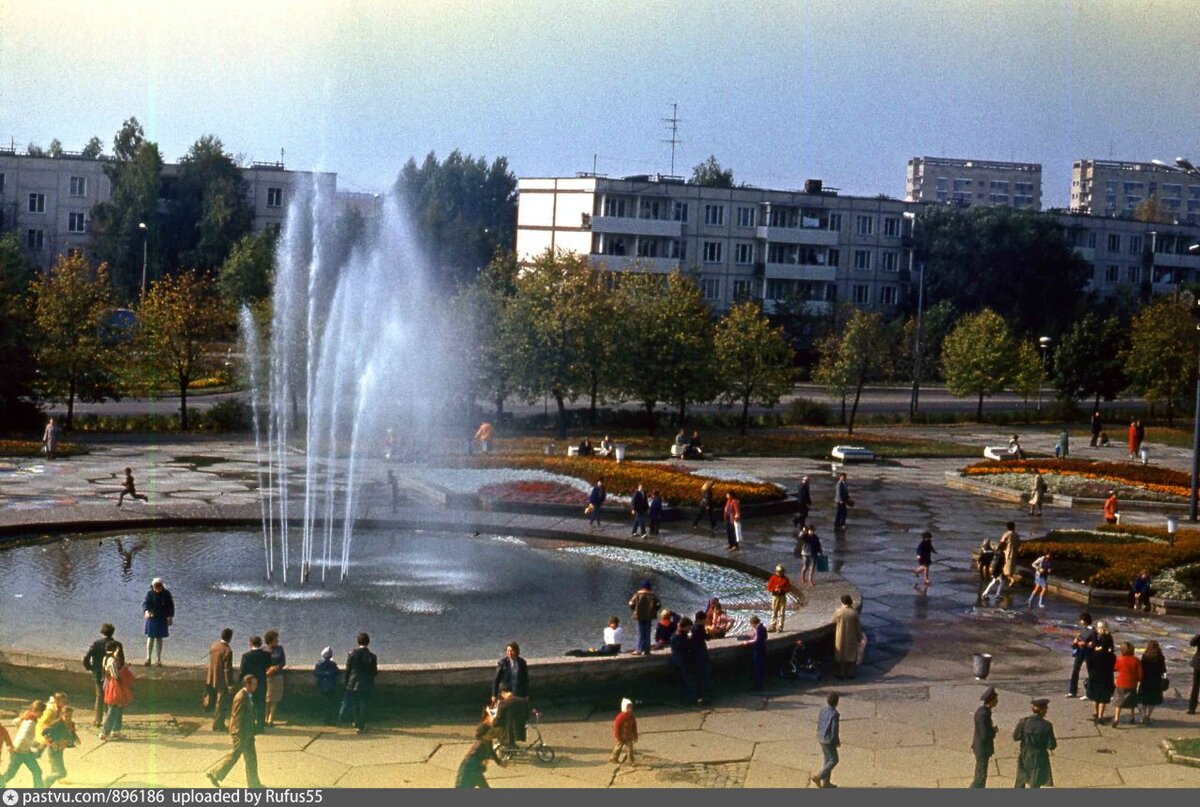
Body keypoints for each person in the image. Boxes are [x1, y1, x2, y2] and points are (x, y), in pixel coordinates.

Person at [206, 675, 263, 788]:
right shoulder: (241, 697)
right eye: (254, 684)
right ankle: (214, 774)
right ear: (247, 684)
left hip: (247, 732)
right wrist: (239, 733)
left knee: (251, 758)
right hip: (241, 733)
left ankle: (254, 784)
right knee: (234, 756)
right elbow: (237, 716)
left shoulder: (247, 695)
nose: (256, 686)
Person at [83, 623, 123, 728]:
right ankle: (110, 721)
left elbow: (86, 657)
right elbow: (121, 662)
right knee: (112, 698)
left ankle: (97, 720)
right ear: (112, 632)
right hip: (112, 676)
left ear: (102, 632)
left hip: (98, 673)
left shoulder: (96, 643)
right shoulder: (117, 645)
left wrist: (90, 667)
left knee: (99, 696)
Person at [1013, 698, 1057, 788]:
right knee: (1035, 782)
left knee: (1021, 779)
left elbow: (1015, 737)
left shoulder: (1023, 722)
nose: (1046, 711)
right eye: (1045, 709)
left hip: (1025, 754)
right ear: (1042, 710)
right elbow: (1051, 746)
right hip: (1039, 756)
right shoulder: (1047, 725)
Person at [1, 701, 46, 788]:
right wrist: (35, 745)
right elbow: (24, 738)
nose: (43, 716)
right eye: (43, 713)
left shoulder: (28, 717)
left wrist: (21, 721)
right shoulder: (31, 722)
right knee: (11, 774)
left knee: (36, 771)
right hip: (20, 751)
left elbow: (14, 722)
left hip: (22, 750)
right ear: (39, 711)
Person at [345, 632, 378, 733]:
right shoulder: (372, 656)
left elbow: (348, 670)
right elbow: (374, 672)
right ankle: (362, 725)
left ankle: (356, 723)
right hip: (366, 683)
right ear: (368, 642)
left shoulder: (352, 653)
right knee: (364, 704)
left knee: (355, 704)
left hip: (353, 682)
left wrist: (347, 683)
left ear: (358, 641)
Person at [99, 640, 130, 741]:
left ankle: (116, 730)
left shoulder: (105, 658)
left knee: (116, 707)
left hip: (107, 683)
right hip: (113, 685)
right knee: (114, 709)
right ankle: (105, 731)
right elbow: (116, 675)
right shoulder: (112, 660)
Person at [239, 636, 272, 730]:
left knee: (250, 704)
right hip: (261, 682)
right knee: (261, 704)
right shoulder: (266, 655)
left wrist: (240, 682)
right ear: (260, 644)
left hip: (249, 683)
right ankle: (260, 726)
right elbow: (268, 666)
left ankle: (251, 724)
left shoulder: (246, 656)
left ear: (250, 643)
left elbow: (242, 671)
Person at [41, 704, 78, 788]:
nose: (68, 718)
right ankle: (45, 780)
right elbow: (44, 732)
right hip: (54, 751)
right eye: (66, 716)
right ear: (62, 715)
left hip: (60, 750)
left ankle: (45, 787)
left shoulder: (71, 724)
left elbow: (71, 736)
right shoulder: (57, 723)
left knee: (55, 772)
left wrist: (73, 737)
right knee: (62, 773)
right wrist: (53, 742)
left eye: (70, 716)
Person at [206, 627, 235, 732]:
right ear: (230, 638)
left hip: (211, 676)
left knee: (214, 701)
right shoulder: (228, 650)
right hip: (221, 680)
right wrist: (230, 684)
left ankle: (217, 723)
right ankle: (218, 724)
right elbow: (227, 670)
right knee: (221, 703)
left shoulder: (214, 645)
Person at [456, 723, 502, 787]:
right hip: (469, 771)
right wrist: (482, 765)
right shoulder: (480, 745)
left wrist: (499, 762)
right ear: (483, 735)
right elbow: (472, 759)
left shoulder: (487, 741)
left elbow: (492, 752)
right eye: (490, 733)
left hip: (475, 770)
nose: (492, 735)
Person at [141, 577, 174, 666]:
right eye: (156, 587)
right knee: (150, 638)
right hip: (152, 618)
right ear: (153, 586)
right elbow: (145, 604)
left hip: (162, 618)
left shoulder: (166, 594)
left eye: (159, 587)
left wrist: (170, 617)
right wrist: (146, 611)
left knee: (159, 638)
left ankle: (158, 659)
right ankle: (148, 658)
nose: (157, 589)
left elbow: (171, 606)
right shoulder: (150, 594)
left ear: (162, 586)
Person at [970, 686, 999, 788]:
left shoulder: (983, 711)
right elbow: (984, 733)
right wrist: (993, 731)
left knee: (980, 772)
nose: (997, 701)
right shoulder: (984, 714)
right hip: (982, 748)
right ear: (991, 701)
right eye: (996, 699)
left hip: (981, 747)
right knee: (981, 775)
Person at [812, 692, 841, 788]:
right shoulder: (835, 714)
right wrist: (836, 741)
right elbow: (834, 730)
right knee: (834, 760)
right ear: (837, 703)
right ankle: (819, 776)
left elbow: (820, 722)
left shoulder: (823, 710)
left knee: (827, 759)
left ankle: (826, 783)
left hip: (821, 737)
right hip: (829, 740)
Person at [488, 683, 531, 747]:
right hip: (520, 731)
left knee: (493, 728)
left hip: (508, 732)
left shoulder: (503, 703)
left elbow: (498, 719)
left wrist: (492, 721)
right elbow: (527, 716)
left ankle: (504, 745)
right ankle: (511, 744)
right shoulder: (522, 701)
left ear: (503, 692)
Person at [1087, 632, 1116, 723]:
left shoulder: (1093, 654)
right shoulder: (1111, 656)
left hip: (1094, 675)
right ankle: (1100, 716)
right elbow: (1113, 667)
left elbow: (1089, 665)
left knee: (1095, 695)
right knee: (1103, 697)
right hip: (1106, 676)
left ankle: (1096, 712)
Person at [1113, 641, 1142, 727]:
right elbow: (1140, 674)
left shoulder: (1119, 659)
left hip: (1121, 682)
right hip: (1132, 683)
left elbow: (1116, 668)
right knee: (1132, 702)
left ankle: (1116, 718)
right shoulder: (1136, 660)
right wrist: (1138, 679)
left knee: (1118, 702)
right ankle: (1132, 717)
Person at [832, 594, 862, 680]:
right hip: (851, 635)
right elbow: (858, 627)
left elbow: (834, 620)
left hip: (841, 635)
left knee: (841, 655)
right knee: (851, 654)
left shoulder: (839, 611)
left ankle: (841, 673)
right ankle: (850, 673)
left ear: (842, 602)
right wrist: (859, 637)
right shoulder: (854, 612)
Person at [1067, 612, 1095, 699]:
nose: (1080, 622)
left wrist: (1085, 643)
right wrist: (1076, 642)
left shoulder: (1092, 630)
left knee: (1090, 671)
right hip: (1080, 651)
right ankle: (1072, 691)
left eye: (1082, 620)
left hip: (1088, 652)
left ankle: (1089, 692)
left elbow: (1094, 643)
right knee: (1075, 670)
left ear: (1085, 620)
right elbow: (1079, 638)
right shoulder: (1083, 629)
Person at [628, 581, 660, 656]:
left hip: (639, 616)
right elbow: (658, 604)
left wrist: (634, 610)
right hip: (649, 616)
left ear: (642, 587)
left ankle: (639, 649)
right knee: (647, 633)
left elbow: (631, 603)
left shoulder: (637, 594)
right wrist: (654, 610)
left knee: (640, 633)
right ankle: (646, 651)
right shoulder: (652, 595)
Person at [1139, 640, 1166, 725]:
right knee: (1152, 701)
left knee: (1143, 700)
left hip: (1145, 680)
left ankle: (1143, 716)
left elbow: (1141, 668)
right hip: (1156, 681)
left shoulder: (1145, 656)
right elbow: (1163, 670)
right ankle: (1148, 716)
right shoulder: (1160, 657)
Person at [263, 629, 287, 727]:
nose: (277, 641)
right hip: (267, 677)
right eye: (275, 639)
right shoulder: (263, 649)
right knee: (266, 699)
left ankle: (270, 719)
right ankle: (264, 718)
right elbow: (260, 662)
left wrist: (276, 667)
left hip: (277, 676)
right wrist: (267, 669)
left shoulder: (280, 649)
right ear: (270, 640)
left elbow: (283, 662)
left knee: (274, 699)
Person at [669, 619, 696, 702]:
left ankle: (682, 699)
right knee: (687, 680)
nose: (689, 629)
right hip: (682, 661)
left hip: (675, 660)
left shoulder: (674, 634)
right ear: (684, 627)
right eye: (688, 627)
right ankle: (690, 699)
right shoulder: (679, 636)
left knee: (680, 681)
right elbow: (685, 647)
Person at [689, 611, 713, 703]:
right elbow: (707, 637)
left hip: (696, 654)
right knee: (704, 676)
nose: (706, 621)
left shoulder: (694, 627)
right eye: (705, 619)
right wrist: (708, 632)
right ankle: (705, 696)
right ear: (701, 620)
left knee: (698, 676)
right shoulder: (699, 628)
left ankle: (700, 695)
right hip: (700, 654)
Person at [313, 647, 340, 725]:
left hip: (322, 685)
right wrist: (329, 673)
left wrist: (324, 674)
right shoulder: (332, 664)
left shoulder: (319, 663)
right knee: (329, 702)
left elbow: (316, 673)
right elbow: (337, 672)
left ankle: (325, 718)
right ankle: (328, 718)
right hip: (331, 685)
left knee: (325, 702)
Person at [742, 615, 768, 691]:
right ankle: (759, 685)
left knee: (757, 668)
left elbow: (756, 640)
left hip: (758, 651)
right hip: (762, 650)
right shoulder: (763, 628)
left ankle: (758, 686)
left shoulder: (759, 629)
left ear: (754, 623)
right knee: (760, 668)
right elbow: (765, 637)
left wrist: (747, 642)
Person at [610, 698, 638, 765]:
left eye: (631, 707)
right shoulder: (620, 717)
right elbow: (616, 727)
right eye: (628, 707)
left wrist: (635, 736)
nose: (630, 709)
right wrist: (617, 736)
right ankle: (614, 758)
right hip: (621, 737)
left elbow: (634, 726)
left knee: (630, 749)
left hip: (629, 736)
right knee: (618, 748)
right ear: (624, 707)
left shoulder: (632, 717)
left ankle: (631, 761)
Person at [767, 564, 790, 632]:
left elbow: (788, 588)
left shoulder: (786, 579)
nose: (780, 574)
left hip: (782, 596)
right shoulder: (773, 578)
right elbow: (769, 588)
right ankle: (773, 626)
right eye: (779, 572)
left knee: (782, 612)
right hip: (775, 596)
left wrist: (782, 590)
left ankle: (780, 626)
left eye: (781, 572)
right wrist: (774, 589)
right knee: (774, 611)